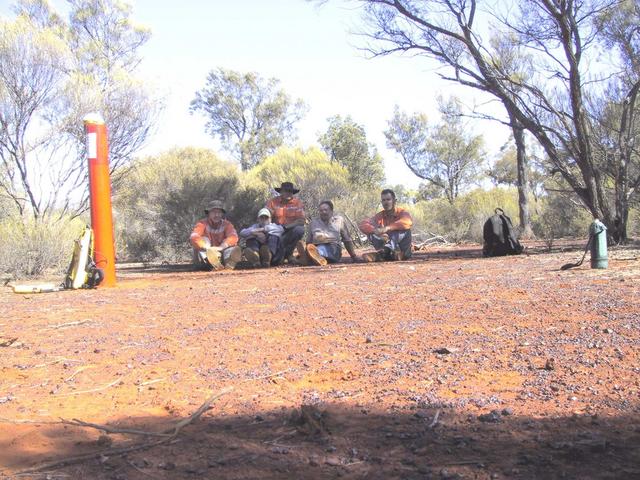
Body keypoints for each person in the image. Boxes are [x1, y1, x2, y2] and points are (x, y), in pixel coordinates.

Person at [359, 189, 413, 262]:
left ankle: (383, 253)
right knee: (372, 233)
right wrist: (375, 230)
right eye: (383, 200)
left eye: (388, 199)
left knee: (403, 229)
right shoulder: (379, 215)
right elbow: (363, 224)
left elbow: (407, 222)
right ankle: (387, 253)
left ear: (394, 200)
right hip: (388, 250)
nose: (386, 202)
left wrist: (388, 228)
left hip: (403, 250)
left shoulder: (402, 212)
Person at [302, 200, 358, 266]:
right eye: (321, 210)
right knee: (315, 248)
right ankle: (314, 257)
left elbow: (347, 239)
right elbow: (309, 241)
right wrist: (307, 248)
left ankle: (310, 256)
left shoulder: (339, 220)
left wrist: (353, 256)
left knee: (320, 250)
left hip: (334, 247)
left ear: (331, 211)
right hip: (316, 246)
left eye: (326, 210)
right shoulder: (313, 222)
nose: (323, 212)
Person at [190, 200, 242, 270]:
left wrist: (221, 247)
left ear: (222, 214)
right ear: (208, 213)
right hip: (207, 251)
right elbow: (194, 237)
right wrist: (207, 248)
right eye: (214, 212)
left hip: (222, 250)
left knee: (231, 247)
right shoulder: (201, 224)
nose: (217, 215)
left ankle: (228, 262)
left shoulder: (227, 224)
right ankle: (212, 262)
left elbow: (234, 236)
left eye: (219, 212)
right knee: (204, 240)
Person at [265, 181, 306, 265]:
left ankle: (289, 254)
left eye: (290, 191)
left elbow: (301, 221)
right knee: (275, 260)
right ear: (281, 192)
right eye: (286, 191)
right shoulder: (272, 202)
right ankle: (281, 256)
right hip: (275, 231)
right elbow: (265, 216)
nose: (288, 193)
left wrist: (286, 227)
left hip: (289, 230)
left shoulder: (297, 203)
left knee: (299, 230)